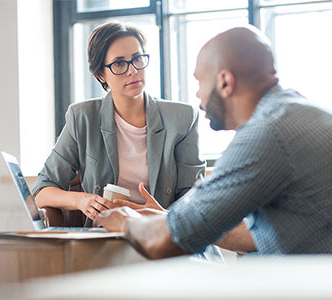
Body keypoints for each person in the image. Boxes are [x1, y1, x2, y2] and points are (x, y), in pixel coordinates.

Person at [94, 25, 332, 257]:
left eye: (200, 82)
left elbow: (168, 242)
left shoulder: (265, 135)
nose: (197, 95)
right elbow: (251, 233)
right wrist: (169, 219)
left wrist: (124, 222)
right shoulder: (297, 112)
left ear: (225, 82)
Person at [32, 22, 206, 226]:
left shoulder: (182, 118)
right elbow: (41, 191)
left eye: (137, 59)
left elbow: (195, 197)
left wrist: (161, 215)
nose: (132, 70)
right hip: (106, 237)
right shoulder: (83, 117)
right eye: (119, 63)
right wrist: (81, 200)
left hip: (165, 233)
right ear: (100, 74)